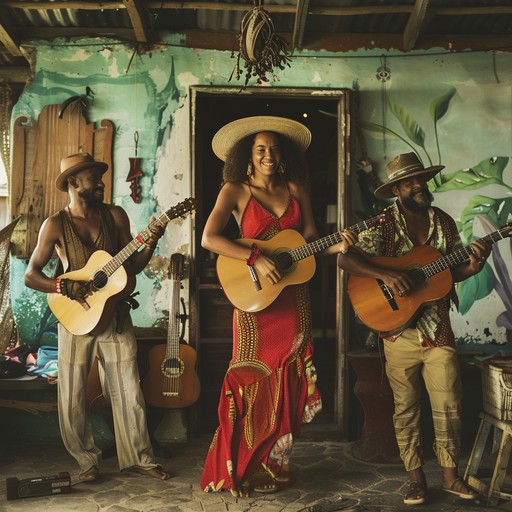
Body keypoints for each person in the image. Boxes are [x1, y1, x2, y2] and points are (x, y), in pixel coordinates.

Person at [199, 115, 357, 496]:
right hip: (254, 302)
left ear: (282, 155)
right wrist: (255, 257)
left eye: (274, 148)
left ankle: (273, 467)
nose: (268, 155)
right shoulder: (235, 189)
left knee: (289, 380)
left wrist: (338, 244)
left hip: (293, 298)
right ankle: (240, 466)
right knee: (249, 378)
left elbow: (310, 239)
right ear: (248, 157)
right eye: (260, 149)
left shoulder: (296, 189)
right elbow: (209, 238)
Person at [337, 152, 491, 506]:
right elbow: (346, 258)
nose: (418, 186)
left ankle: (451, 476)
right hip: (397, 330)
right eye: (409, 182)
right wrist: (387, 275)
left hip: (438, 330)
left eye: (420, 179)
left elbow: (451, 273)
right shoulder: (380, 225)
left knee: (450, 402)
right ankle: (417, 480)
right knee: (405, 407)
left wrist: (476, 264)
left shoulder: (445, 223)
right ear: (396, 190)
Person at [24, 152, 170, 482]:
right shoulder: (55, 224)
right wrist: (62, 285)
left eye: (100, 177)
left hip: (115, 316)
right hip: (75, 317)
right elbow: (31, 275)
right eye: (94, 178)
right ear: (74, 183)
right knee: (72, 395)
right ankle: (87, 462)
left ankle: (140, 458)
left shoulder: (115, 216)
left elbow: (130, 268)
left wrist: (151, 242)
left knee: (129, 391)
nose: (102, 183)